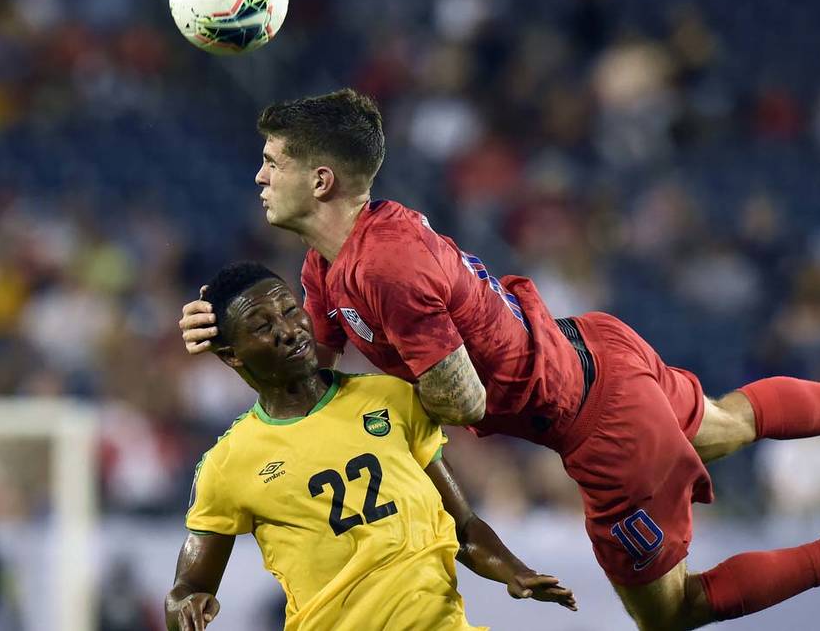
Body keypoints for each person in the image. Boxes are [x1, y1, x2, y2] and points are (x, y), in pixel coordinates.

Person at [179, 89, 820, 630]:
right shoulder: (327, 265)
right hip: (590, 343)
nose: (259, 175)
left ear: (320, 179)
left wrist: (384, 410)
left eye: (273, 161)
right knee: (724, 424)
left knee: (673, 613)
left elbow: (462, 404)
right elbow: (309, 373)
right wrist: (230, 338)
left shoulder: (386, 269)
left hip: (598, 428)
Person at [166, 262, 576, 631]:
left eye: (290, 310)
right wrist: (186, 605)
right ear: (231, 355)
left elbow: (463, 525)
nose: (289, 330)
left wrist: (514, 571)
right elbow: (187, 587)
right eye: (261, 326)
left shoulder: (391, 398)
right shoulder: (229, 463)